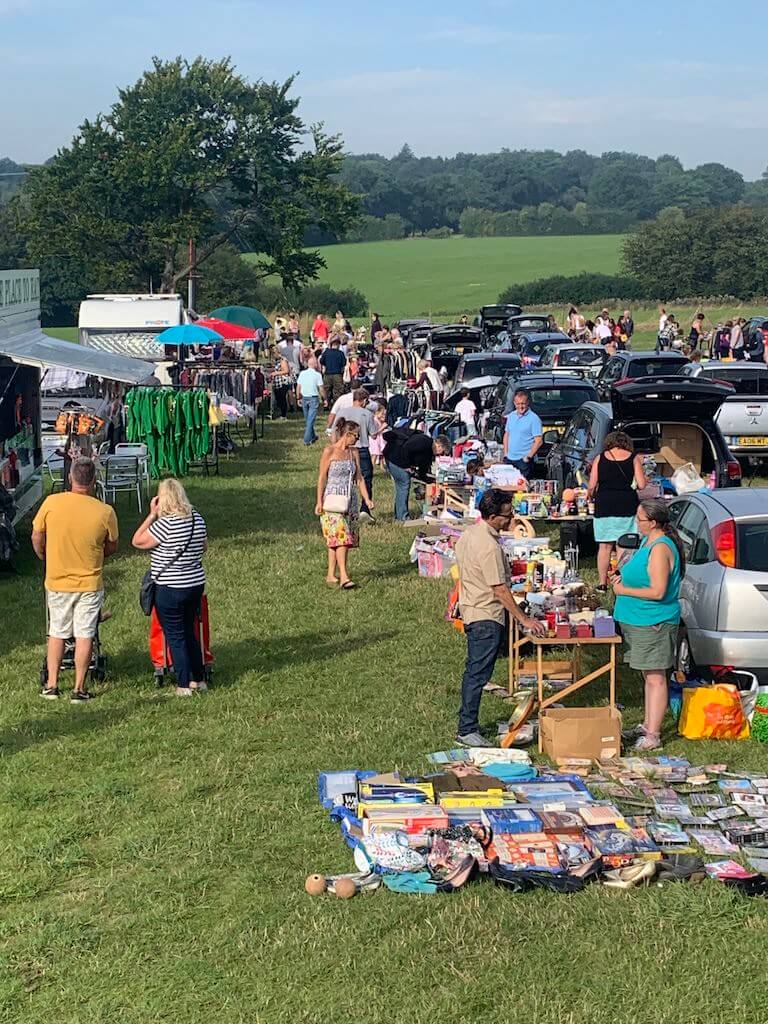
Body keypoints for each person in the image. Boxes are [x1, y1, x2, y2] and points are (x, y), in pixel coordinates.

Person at [454, 488, 546, 746]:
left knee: (475, 671)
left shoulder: (470, 533)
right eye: (507, 515)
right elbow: (499, 589)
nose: (511, 519)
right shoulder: (489, 546)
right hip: (486, 615)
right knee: (477, 674)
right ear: (493, 516)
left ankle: (467, 724)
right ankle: (467, 728)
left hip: (472, 608)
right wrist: (523, 619)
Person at [32, 458, 118, 702]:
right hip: (89, 582)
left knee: (57, 632)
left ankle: (51, 685)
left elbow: (37, 536)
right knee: (85, 634)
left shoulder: (51, 503)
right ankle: (79, 689)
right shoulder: (104, 511)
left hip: (57, 579)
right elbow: (111, 546)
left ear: (70, 478)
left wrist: (44, 556)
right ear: (93, 481)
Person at [611, 499, 684, 752]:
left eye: (640, 519)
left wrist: (623, 589)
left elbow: (658, 590)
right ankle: (647, 723)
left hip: (654, 620)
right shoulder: (648, 541)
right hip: (639, 619)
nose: (636, 523)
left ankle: (653, 734)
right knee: (648, 675)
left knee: (655, 677)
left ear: (653, 522)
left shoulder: (661, 548)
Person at [132, 479, 208, 697]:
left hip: (169, 586)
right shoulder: (197, 519)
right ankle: (199, 678)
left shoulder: (164, 525)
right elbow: (204, 546)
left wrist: (151, 515)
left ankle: (184, 684)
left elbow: (137, 541)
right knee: (190, 632)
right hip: (194, 584)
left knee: (175, 635)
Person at [315, 418, 372, 589]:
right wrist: (319, 501)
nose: (358, 439)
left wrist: (367, 499)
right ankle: (345, 577)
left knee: (337, 539)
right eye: (356, 435)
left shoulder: (353, 453)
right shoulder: (329, 451)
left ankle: (331, 575)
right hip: (332, 500)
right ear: (347, 434)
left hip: (349, 501)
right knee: (342, 538)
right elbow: (322, 478)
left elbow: (359, 477)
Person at [587, 431, 647, 591]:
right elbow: (641, 485)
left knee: (604, 546)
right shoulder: (633, 458)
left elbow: (592, 485)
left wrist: (590, 496)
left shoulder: (600, 458)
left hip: (605, 503)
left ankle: (602, 583)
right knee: (624, 545)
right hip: (627, 503)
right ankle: (621, 582)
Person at [383, 429, 451, 521]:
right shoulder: (424, 441)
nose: (440, 455)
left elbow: (423, 470)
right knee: (404, 483)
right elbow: (406, 448)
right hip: (394, 458)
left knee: (401, 487)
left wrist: (430, 480)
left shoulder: (428, 452)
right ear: (438, 446)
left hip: (395, 457)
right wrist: (407, 466)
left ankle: (399, 515)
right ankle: (402, 517)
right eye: (442, 452)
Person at [338, 387, 381, 521]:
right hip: (362, 450)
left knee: (345, 480)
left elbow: (334, 432)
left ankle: (344, 508)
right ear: (364, 401)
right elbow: (373, 434)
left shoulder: (342, 412)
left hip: (344, 450)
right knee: (365, 479)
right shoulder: (367, 414)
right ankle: (365, 508)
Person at [502, 389, 542, 479]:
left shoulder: (534, 419)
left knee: (522, 490)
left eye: (523, 403)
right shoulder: (511, 416)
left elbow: (538, 441)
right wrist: (505, 453)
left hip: (523, 461)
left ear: (527, 403)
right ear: (514, 403)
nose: (520, 406)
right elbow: (507, 434)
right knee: (508, 489)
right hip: (510, 459)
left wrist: (528, 457)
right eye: (518, 404)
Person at [296, 362, 327, 446]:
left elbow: (298, 386)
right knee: (310, 420)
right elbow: (321, 388)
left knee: (308, 419)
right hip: (313, 397)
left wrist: (298, 397)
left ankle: (313, 436)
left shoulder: (302, 373)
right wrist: (325, 398)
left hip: (304, 397)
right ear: (315, 365)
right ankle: (306, 440)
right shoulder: (318, 375)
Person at [319, 337, 347, 406]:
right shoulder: (340, 353)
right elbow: (344, 363)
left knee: (326, 390)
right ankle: (336, 404)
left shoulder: (326, 352)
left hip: (327, 374)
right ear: (338, 345)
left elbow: (321, 361)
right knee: (338, 390)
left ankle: (326, 404)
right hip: (337, 374)